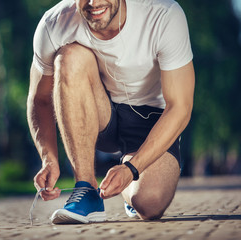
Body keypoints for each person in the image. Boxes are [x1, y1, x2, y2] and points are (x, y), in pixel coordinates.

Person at [27, 0, 195, 224]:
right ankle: (86, 191)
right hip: (99, 113)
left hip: (151, 121)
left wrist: (131, 169)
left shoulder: (163, 14)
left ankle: (132, 189)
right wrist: (49, 158)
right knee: (69, 57)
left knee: (149, 203)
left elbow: (180, 107)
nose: (93, 3)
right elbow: (39, 99)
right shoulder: (54, 23)